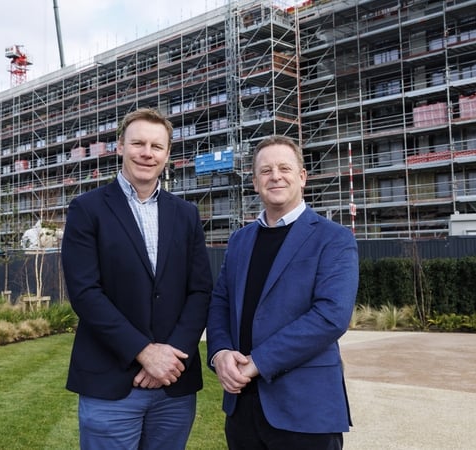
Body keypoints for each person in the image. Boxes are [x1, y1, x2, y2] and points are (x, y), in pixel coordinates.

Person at [61, 107, 213, 449]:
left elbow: (201, 291)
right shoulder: (87, 209)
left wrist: (170, 357)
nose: (147, 153)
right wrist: (144, 352)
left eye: (157, 146)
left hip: (174, 384)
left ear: (167, 154)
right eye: (138, 143)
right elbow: (85, 293)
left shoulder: (187, 214)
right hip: (110, 384)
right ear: (120, 147)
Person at [206, 135, 359, 449]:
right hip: (243, 408)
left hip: (305, 409)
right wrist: (220, 352)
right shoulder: (239, 241)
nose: (275, 176)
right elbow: (220, 302)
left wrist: (258, 362)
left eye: (284, 168)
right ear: (254, 182)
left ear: (302, 177)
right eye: (265, 170)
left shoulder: (334, 239)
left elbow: (331, 316)